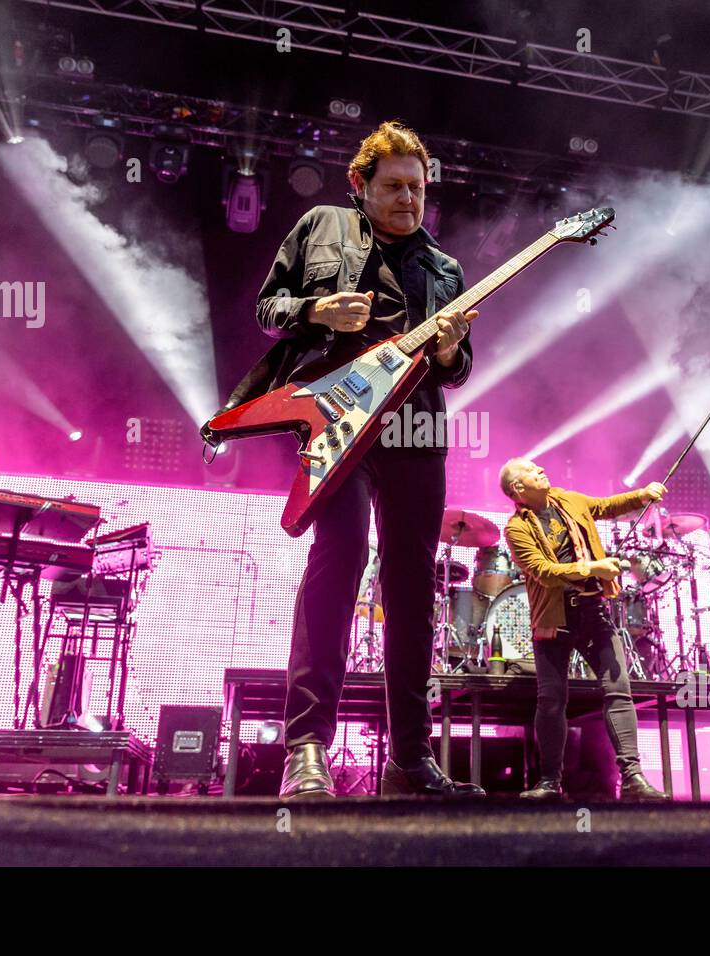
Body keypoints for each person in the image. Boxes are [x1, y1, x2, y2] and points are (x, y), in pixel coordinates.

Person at [226, 120, 482, 798]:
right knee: (337, 562)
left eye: (418, 188)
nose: (408, 200)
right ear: (360, 185)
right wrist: (317, 311)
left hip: (416, 435)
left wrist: (452, 351)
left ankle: (409, 759)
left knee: (412, 589)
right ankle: (306, 751)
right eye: (394, 186)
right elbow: (268, 309)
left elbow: (457, 370)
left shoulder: (445, 269)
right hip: (338, 426)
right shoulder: (320, 227)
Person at [498, 456, 671, 800]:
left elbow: (606, 506)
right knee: (551, 701)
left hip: (593, 612)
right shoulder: (516, 528)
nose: (540, 470)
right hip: (554, 620)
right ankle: (550, 783)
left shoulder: (569, 500)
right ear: (518, 488)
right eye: (531, 470)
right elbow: (544, 571)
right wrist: (594, 567)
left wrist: (642, 494)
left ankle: (633, 778)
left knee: (618, 690)